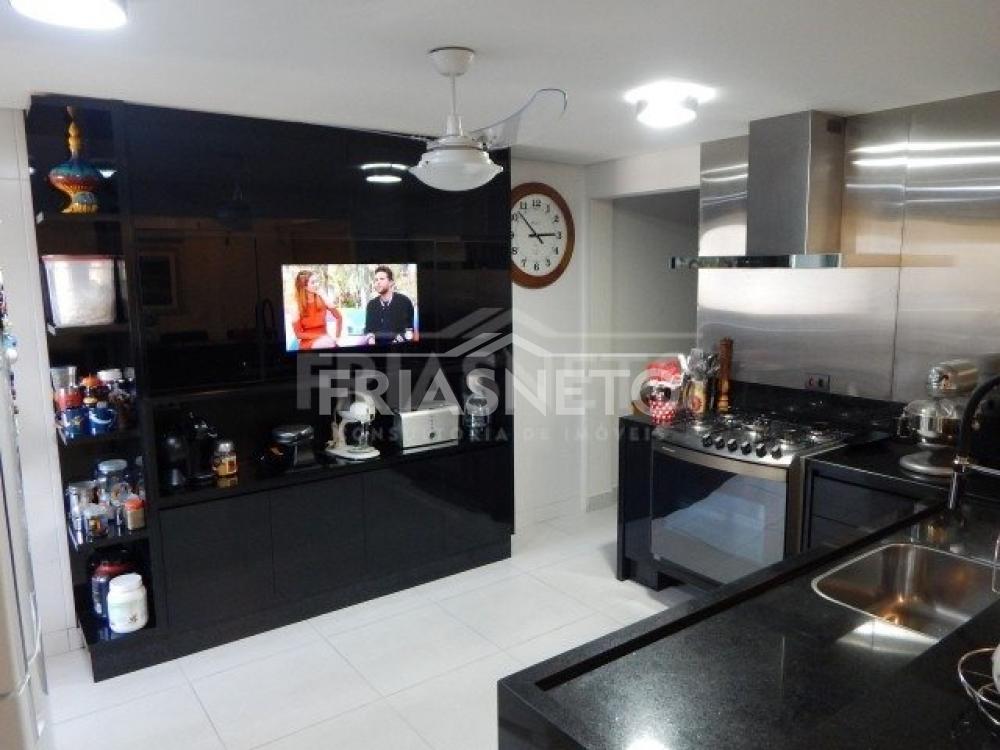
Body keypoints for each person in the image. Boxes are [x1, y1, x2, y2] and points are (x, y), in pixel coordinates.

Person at [290, 270, 342, 350]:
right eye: (313, 282)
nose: (317, 284)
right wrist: (319, 336)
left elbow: (339, 317)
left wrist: (337, 337)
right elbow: (298, 334)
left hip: (326, 341)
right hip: (309, 343)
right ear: (304, 286)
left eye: (317, 281)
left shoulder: (322, 298)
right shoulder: (296, 305)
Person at [364, 265, 414, 345]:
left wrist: (396, 342)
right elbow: (368, 329)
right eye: (376, 280)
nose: (378, 282)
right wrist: (371, 339)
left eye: (382, 279)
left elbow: (409, 331)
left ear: (391, 282)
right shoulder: (371, 305)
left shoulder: (404, 302)